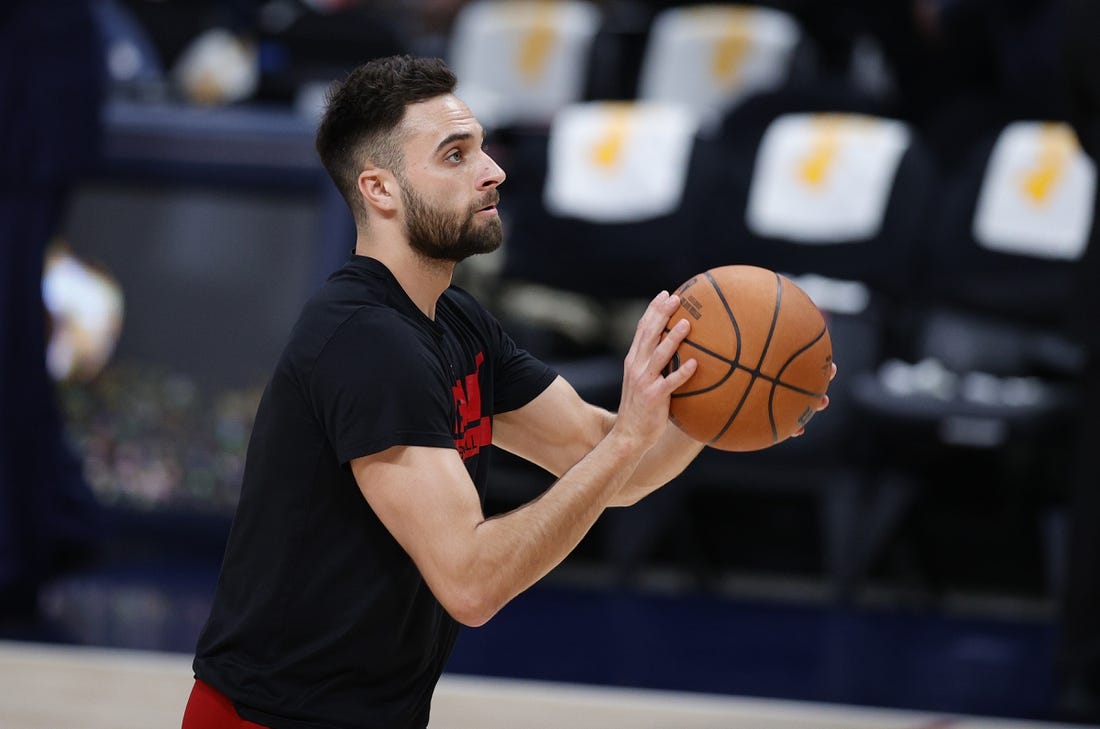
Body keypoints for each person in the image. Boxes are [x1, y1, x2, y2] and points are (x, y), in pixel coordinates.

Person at [182, 54, 831, 729]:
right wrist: (632, 436)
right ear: (380, 190)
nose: (493, 171)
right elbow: (471, 581)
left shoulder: (457, 321)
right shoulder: (366, 342)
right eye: (455, 155)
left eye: (483, 148)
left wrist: (725, 400)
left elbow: (612, 461)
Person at [0, 0, 106, 632]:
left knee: (10, 341)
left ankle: (30, 538)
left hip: (25, 113)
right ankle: (53, 521)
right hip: (30, 99)